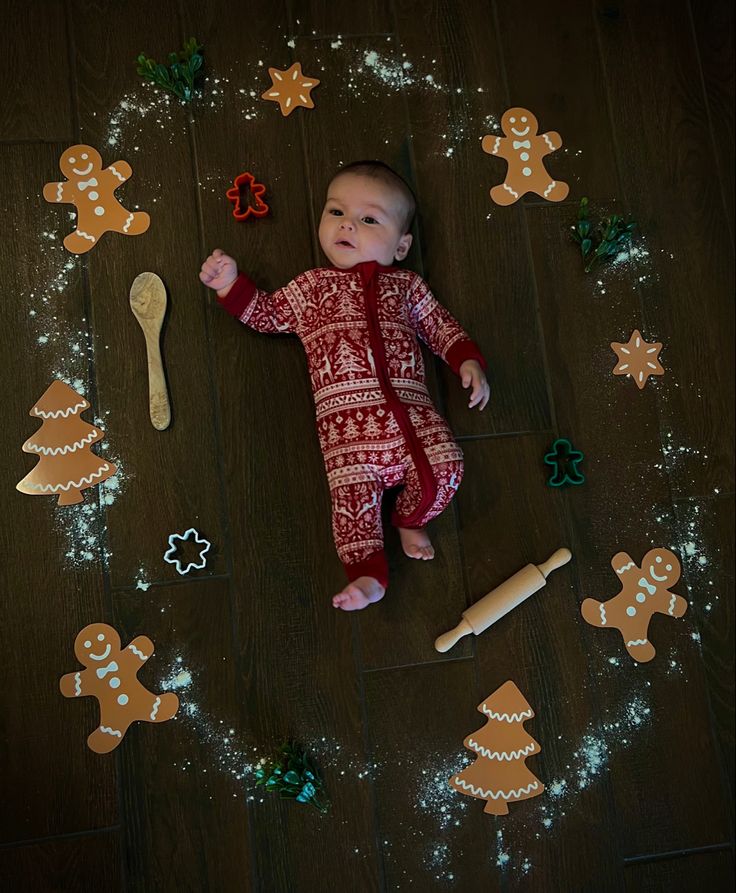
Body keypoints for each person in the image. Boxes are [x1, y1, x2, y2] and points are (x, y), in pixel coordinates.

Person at [200, 161, 489, 611]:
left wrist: (466, 360)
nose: (347, 224)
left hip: (415, 420)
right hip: (347, 437)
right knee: (352, 509)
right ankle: (368, 575)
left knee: (447, 467)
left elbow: (439, 327)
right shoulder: (312, 288)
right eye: (336, 212)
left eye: (369, 219)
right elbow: (267, 314)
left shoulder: (407, 287)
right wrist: (230, 285)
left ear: (401, 246)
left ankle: (409, 517)